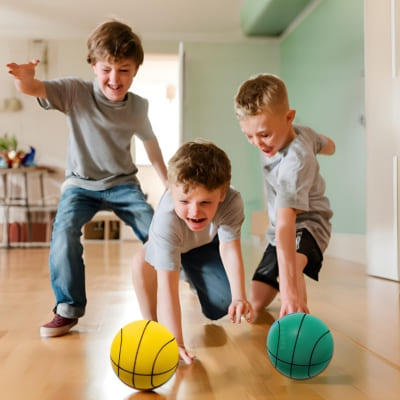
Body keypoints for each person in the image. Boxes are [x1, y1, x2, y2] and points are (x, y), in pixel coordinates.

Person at [6, 20, 168, 338]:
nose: (114, 78)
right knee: (64, 231)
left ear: (135, 70)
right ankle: (68, 309)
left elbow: (151, 145)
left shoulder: (138, 107)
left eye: (124, 70)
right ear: (94, 65)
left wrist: (169, 185)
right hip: (80, 185)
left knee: (159, 233)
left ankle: (170, 293)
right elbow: (34, 88)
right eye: (107, 69)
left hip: (123, 184)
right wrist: (24, 80)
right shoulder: (74, 92)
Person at [132, 140, 253, 364]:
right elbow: (166, 288)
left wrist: (239, 296)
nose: (194, 211)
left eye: (205, 202)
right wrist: (175, 342)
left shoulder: (233, 201)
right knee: (142, 263)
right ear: (171, 189)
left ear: (223, 192)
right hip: (171, 245)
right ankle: (152, 328)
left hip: (203, 246)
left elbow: (229, 248)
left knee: (221, 305)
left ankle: (190, 274)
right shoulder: (166, 220)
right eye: (184, 201)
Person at [234, 73, 335, 321]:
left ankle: (298, 318)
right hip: (278, 228)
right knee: (256, 300)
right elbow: (326, 143)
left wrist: (290, 293)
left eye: (264, 135)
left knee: (293, 267)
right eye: (249, 136)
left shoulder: (296, 161)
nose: (257, 143)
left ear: (289, 117)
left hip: (308, 224)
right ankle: (284, 281)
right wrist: (330, 148)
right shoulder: (296, 134)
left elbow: (286, 224)